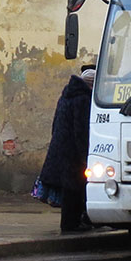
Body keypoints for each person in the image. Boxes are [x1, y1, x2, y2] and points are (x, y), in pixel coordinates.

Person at [39, 66, 95, 232]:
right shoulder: (82, 99)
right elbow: (81, 129)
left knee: (70, 187)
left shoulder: (67, 95)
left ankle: (72, 223)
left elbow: (55, 122)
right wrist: (85, 155)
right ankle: (71, 225)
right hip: (73, 151)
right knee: (75, 188)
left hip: (61, 146)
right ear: (91, 86)